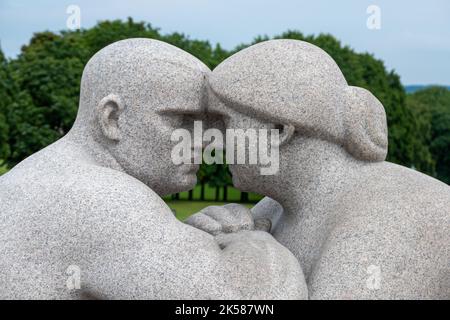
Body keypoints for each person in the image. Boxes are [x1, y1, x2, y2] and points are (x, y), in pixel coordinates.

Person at [0, 39, 307, 299]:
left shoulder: (40, 177)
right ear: (112, 119)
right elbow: (255, 302)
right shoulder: (99, 198)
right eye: (181, 120)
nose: (204, 140)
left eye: (205, 124)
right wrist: (250, 242)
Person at [190, 39, 450, 299]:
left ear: (278, 130)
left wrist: (255, 256)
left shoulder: (390, 214)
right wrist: (212, 250)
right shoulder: (274, 207)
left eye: (224, 122)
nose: (214, 140)